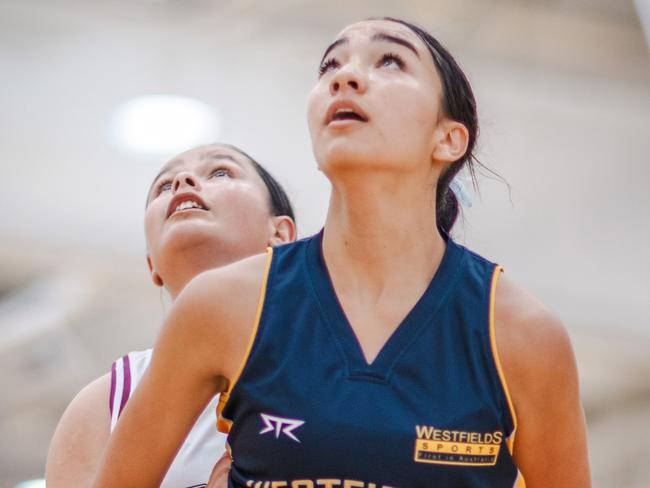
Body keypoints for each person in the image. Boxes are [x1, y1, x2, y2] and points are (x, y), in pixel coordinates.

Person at [93, 17, 591, 488]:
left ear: (448, 138)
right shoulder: (219, 305)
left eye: (390, 62)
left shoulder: (523, 333)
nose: (345, 77)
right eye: (330, 66)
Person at [45, 143, 296, 487]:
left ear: (281, 235)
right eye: (164, 186)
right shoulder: (102, 405)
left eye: (221, 172)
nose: (183, 180)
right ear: (152, 264)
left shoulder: (343, 366)